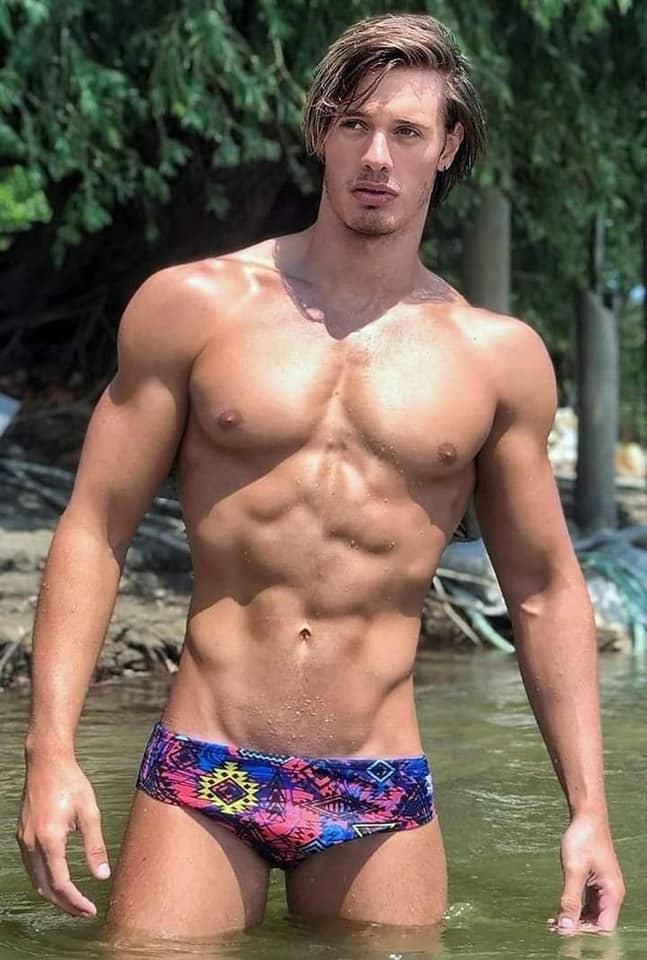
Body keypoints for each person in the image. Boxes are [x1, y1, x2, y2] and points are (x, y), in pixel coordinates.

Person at [17, 12, 624, 941]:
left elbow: (542, 588)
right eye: (353, 125)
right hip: (207, 764)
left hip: (377, 786)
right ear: (321, 134)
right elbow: (95, 528)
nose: (376, 156)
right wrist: (50, 750)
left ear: (446, 146)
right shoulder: (193, 307)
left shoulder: (494, 359)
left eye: (406, 131)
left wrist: (588, 812)